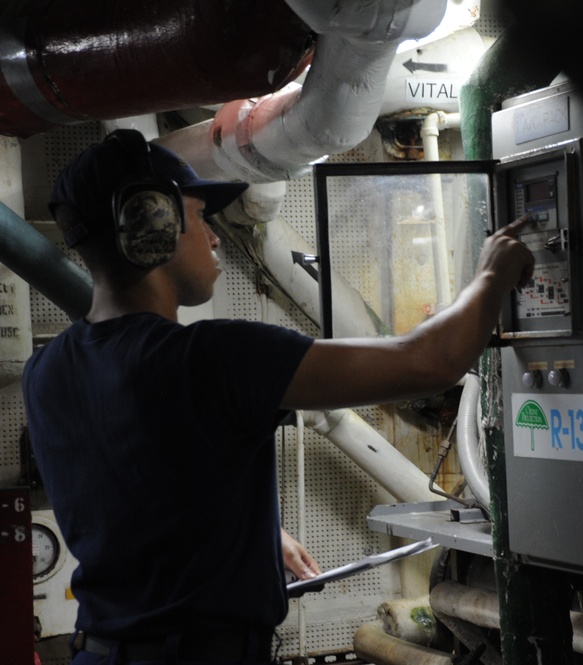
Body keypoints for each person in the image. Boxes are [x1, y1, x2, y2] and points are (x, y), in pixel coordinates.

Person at [22, 129, 534, 665]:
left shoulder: (47, 370)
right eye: (200, 216)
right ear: (154, 222)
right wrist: (493, 272)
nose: (214, 238)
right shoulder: (215, 357)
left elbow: (144, 493)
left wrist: (253, 537)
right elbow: (430, 362)